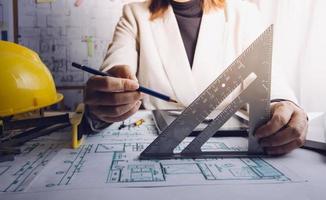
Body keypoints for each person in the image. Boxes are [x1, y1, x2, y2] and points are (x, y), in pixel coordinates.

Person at [84, 0, 308, 155]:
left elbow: (269, 78)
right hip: (154, 142)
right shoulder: (134, 14)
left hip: (228, 146)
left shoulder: (243, 12)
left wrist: (282, 104)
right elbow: (117, 64)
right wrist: (108, 95)